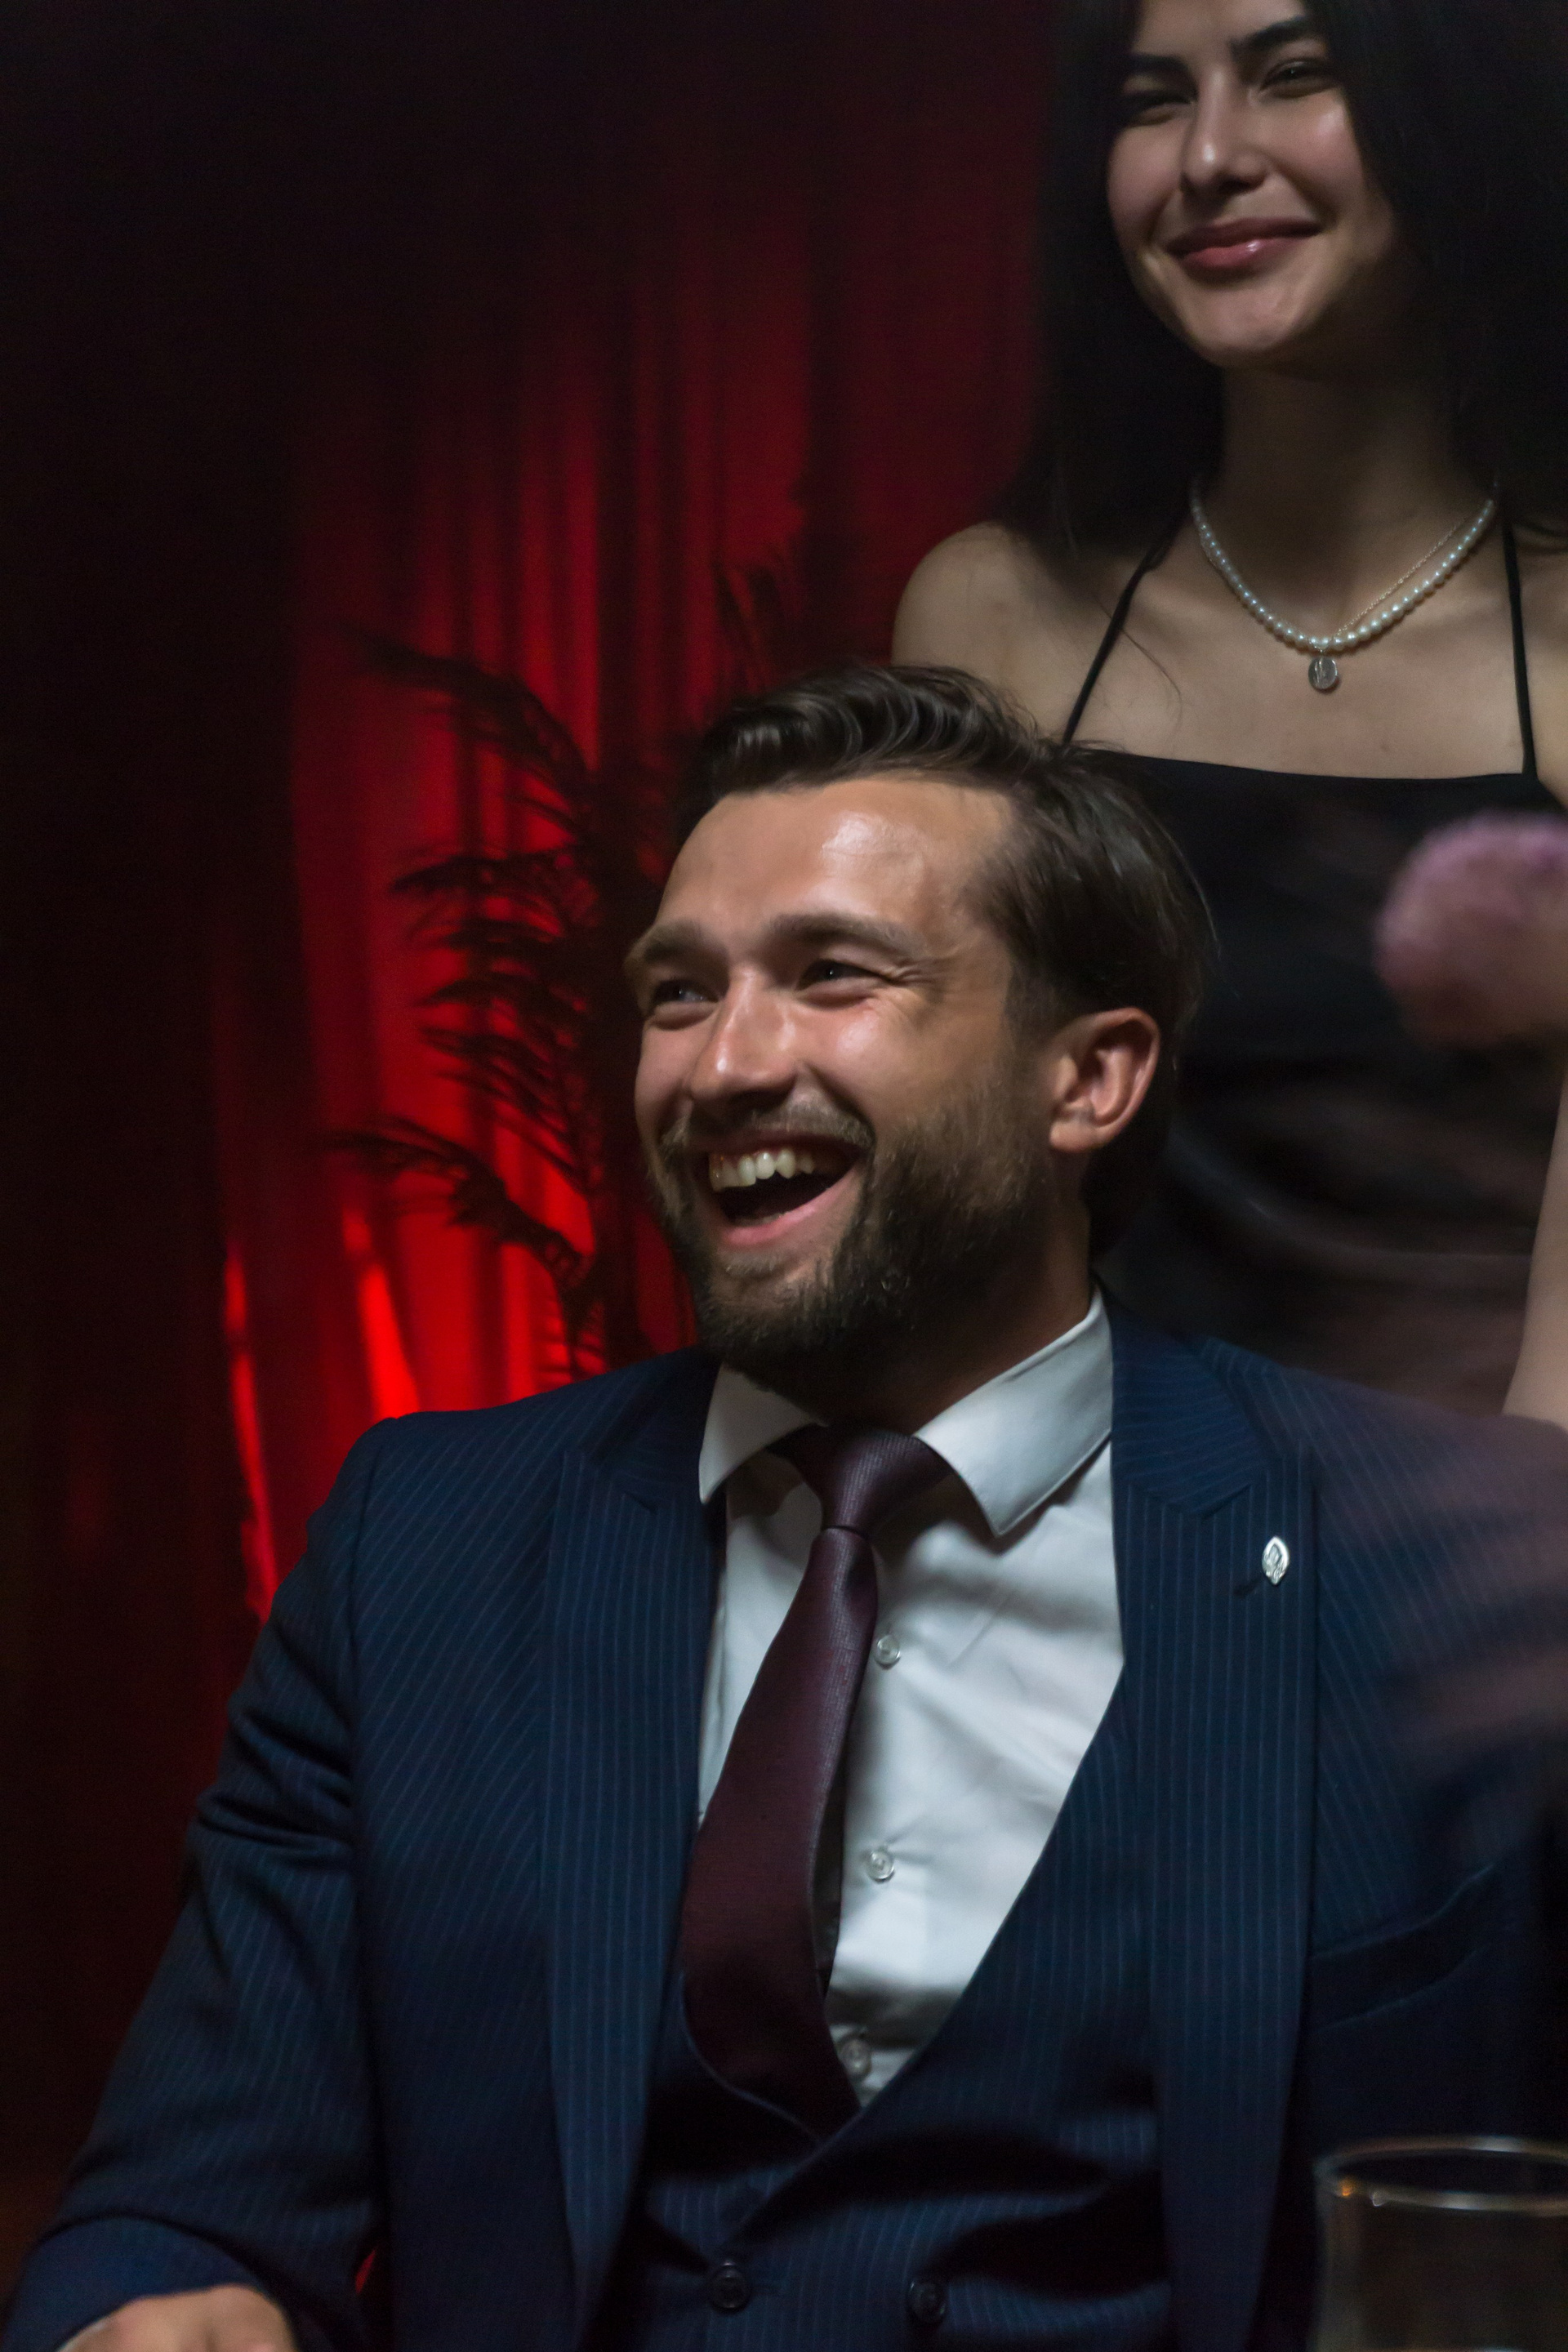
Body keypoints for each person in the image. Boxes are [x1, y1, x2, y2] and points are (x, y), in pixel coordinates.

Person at [10, 665, 1568, 2352]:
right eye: (679, 995)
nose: (727, 1064)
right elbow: (190, 2197)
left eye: (834, 975)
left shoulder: (1455, 1562)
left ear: (1090, 1080)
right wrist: (165, 2308)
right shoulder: (425, 1547)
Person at [894, 0, 1568, 1412]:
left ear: (1448, 112)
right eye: (1153, 100)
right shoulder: (991, 616)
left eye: (1293, 74)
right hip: (1067, 1498)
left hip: (1486, 1512)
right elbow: (936, 1168)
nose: (1208, 157)